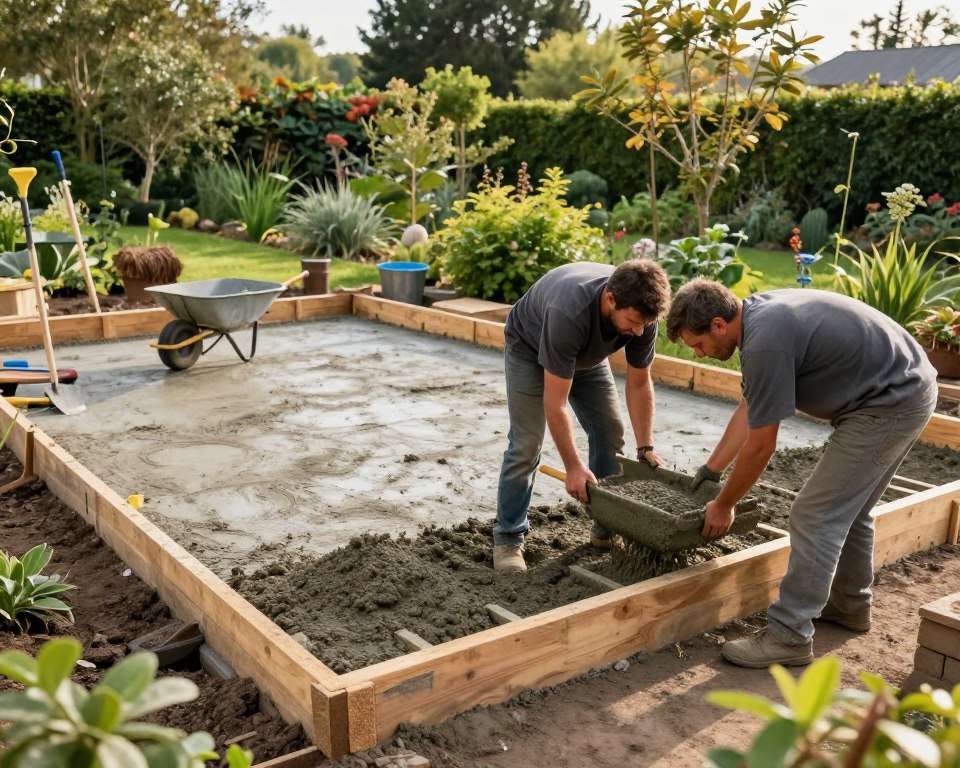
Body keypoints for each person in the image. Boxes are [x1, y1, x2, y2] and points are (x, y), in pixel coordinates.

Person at [667, 279, 938, 667]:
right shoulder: (759, 319)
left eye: (698, 344)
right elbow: (750, 407)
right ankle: (848, 606)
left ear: (718, 324)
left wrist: (725, 504)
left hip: (888, 403)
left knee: (815, 514)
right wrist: (711, 469)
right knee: (850, 511)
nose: (700, 353)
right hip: (906, 388)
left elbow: (761, 445)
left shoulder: (764, 342)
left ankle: (789, 636)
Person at [493, 259, 673, 573]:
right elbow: (555, 402)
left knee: (609, 431)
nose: (638, 331)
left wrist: (645, 447)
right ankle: (509, 537)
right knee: (526, 444)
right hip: (530, 348)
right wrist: (573, 467)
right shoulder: (570, 310)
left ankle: (605, 526)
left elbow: (640, 381)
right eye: (632, 321)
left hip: (583, 355)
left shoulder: (643, 313)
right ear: (611, 299)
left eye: (645, 323)